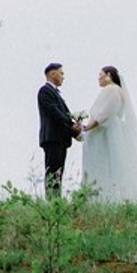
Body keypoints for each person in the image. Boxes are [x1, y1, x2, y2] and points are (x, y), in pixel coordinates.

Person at [80, 65, 137, 202]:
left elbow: (104, 114)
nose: (99, 78)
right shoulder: (120, 91)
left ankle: (101, 197)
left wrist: (86, 128)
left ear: (109, 75)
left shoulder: (111, 89)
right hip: (115, 130)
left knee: (103, 162)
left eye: (101, 75)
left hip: (105, 132)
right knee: (116, 162)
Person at [37, 62, 81, 197]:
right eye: (61, 73)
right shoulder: (45, 91)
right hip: (52, 137)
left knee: (58, 173)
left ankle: (56, 200)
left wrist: (75, 129)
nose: (63, 77)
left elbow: (62, 114)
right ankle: (52, 201)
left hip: (60, 138)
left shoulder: (55, 93)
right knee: (52, 172)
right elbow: (54, 112)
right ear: (52, 74)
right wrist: (71, 123)